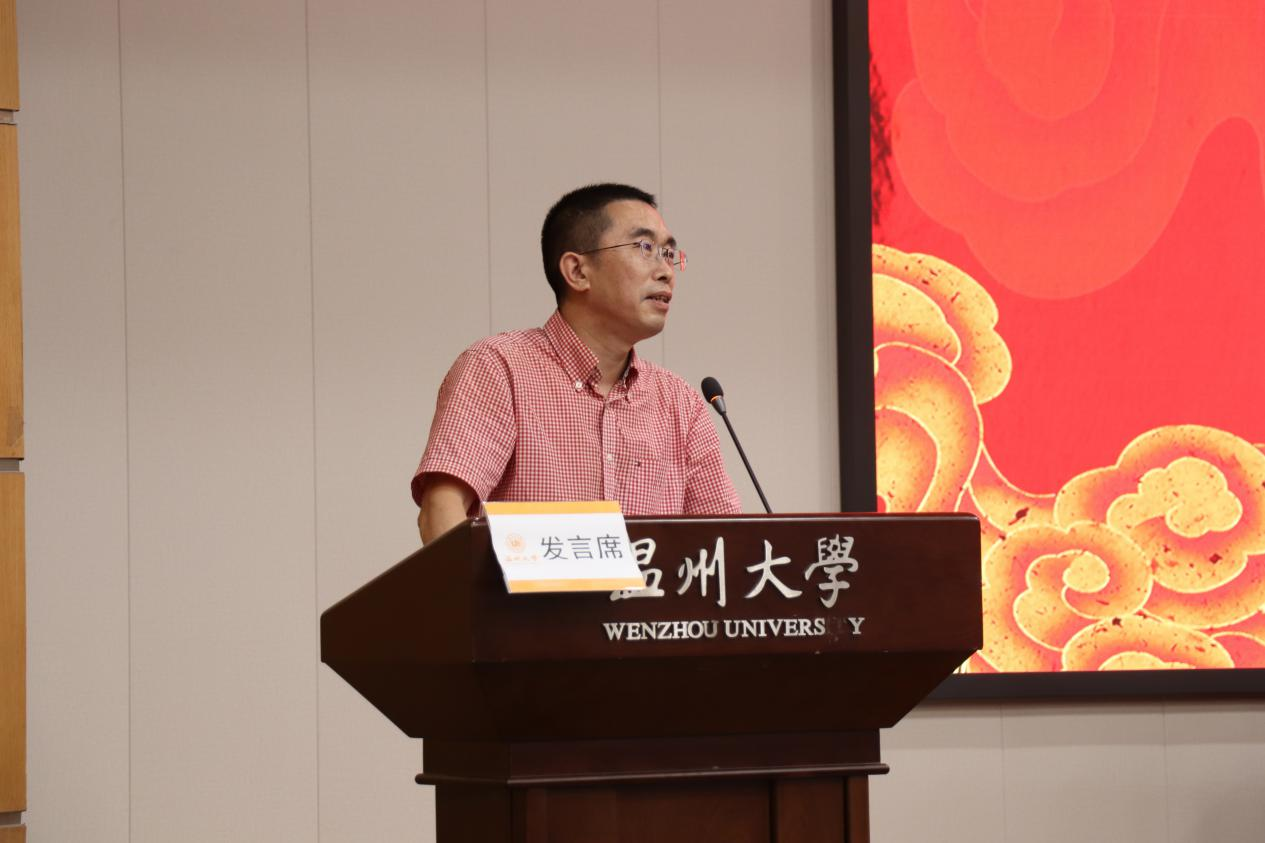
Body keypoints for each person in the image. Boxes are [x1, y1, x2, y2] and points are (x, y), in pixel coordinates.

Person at [413, 183, 742, 542]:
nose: (666, 271)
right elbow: (441, 511)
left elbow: (727, 543)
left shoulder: (680, 402)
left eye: (668, 253)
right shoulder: (500, 368)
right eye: (645, 247)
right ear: (577, 271)